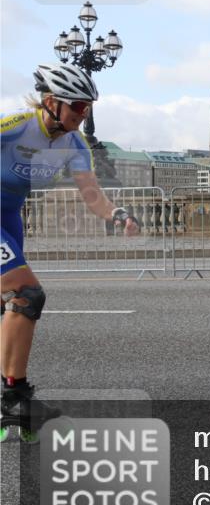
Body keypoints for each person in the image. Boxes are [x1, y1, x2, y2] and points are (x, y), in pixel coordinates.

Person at [1, 63, 141, 442]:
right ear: (51, 102)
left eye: (88, 108)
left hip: (10, 215)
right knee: (26, 295)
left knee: (11, 304)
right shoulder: (14, 125)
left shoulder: (74, 144)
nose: (85, 114)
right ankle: (14, 399)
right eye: (78, 106)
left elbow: (91, 194)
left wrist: (117, 214)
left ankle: (13, 395)